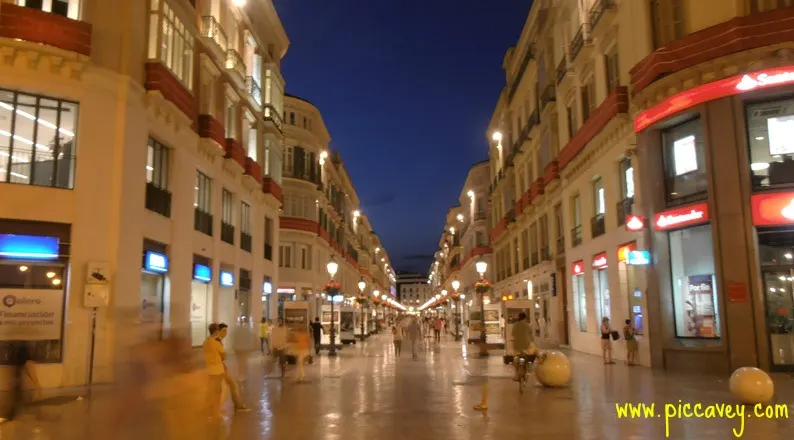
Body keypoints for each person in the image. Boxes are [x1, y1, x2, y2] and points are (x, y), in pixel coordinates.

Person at [217, 323, 250, 412]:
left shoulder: (216, 340)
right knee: (230, 385)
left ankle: (237, 405)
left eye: (226, 331)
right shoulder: (217, 341)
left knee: (231, 385)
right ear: (218, 331)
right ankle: (237, 406)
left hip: (220, 367)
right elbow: (222, 356)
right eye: (223, 331)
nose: (225, 333)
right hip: (218, 368)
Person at [511, 312, 535, 381]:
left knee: (515, 358)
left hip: (517, 345)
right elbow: (531, 336)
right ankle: (539, 359)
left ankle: (516, 374)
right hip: (526, 345)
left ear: (519, 317)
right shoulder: (527, 325)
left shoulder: (515, 325)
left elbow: (513, 334)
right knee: (532, 353)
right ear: (525, 318)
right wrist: (532, 341)